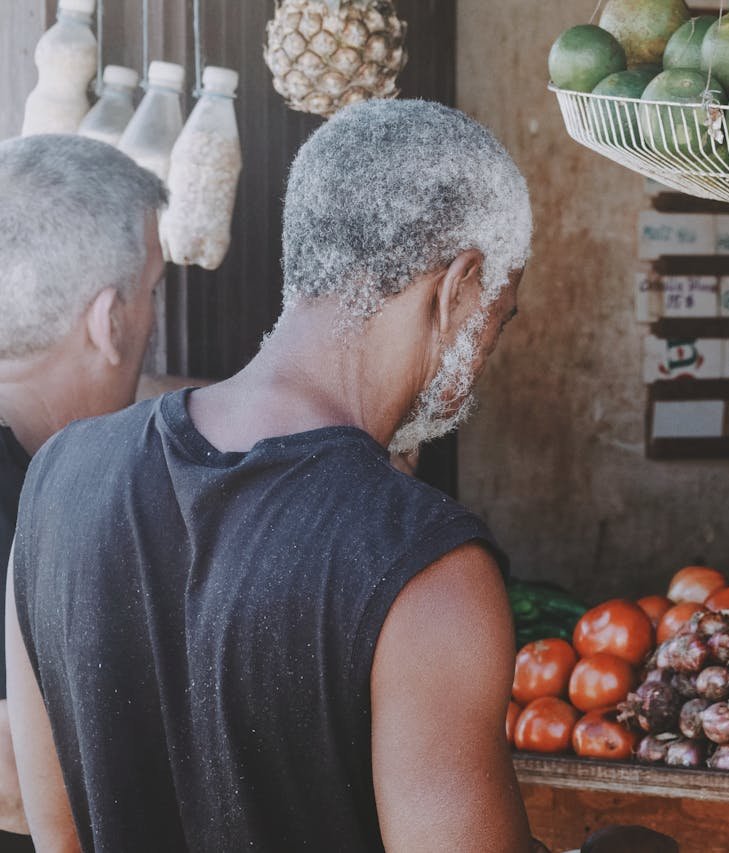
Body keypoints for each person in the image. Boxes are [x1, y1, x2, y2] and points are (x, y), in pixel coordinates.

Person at [7, 100, 537, 851]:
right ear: (459, 287)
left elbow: (57, 834)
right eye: (501, 315)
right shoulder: (428, 567)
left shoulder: (58, 477)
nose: (488, 352)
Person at [0, 134, 169, 852]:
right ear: (111, 321)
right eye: (156, 290)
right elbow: (12, 780)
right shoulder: (26, 503)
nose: (155, 317)